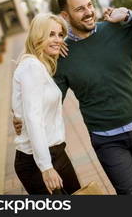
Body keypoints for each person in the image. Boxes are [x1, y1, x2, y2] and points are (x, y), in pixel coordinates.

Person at [15, 0, 132, 195]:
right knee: (131, 194)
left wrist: (129, 15)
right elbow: (50, 98)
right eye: (80, 9)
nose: (89, 12)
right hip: (107, 139)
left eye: (90, 5)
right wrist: (21, 114)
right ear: (65, 16)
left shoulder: (116, 29)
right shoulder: (63, 55)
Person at [12, 13, 81, 195]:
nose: (58, 39)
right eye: (51, 34)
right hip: (37, 160)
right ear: (37, 36)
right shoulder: (32, 67)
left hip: (55, 153)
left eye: (60, 35)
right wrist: (46, 167)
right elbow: (33, 118)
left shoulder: (38, 65)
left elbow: (23, 107)